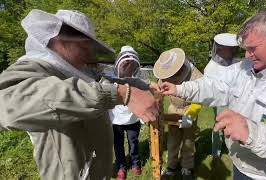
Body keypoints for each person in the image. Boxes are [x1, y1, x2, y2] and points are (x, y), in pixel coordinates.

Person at [160, 8, 266, 180]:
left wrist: (252, 133)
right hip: (242, 167)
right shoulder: (247, 66)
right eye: (245, 49)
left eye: (252, 48)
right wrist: (179, 89)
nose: (247, 55)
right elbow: (217, 85)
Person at [0, 9, 159, 180]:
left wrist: (147, 86)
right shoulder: (35, 68)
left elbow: (114, 81)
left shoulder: (79, 69)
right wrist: (121, 94)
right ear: (59, 42)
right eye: (83, 47)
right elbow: (7, 104)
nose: (88, 54)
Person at [152, 48, 202, 180]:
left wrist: (191, 113)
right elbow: (159, 92)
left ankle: (187, 167)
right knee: (173, 140)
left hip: (190, 108)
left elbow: (202, 94)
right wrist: (153, 107)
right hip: (173, 108)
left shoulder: (193, 72)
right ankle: (171, 167)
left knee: (188, 141)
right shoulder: (164, 74)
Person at [108, 45, 143, 180]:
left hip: (133, 118)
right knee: (118, 144)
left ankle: (135, 164)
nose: (128, 66)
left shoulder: (138, 81)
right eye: (125, 64)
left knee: (133, 142)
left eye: (131, 64)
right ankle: (121, 166)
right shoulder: (111, 79)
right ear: (119, 63)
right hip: (116, 120)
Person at [204, 33, 241, 159]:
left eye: (233, 48)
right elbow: (209, 90)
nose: (232, 50)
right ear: (219, 48)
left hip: (238, 101)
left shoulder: (237, 63)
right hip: (221, 102)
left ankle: (236, 152)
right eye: (229, 47)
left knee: (237, 125)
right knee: (220, 125)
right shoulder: (211, 68)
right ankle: (216, 153)